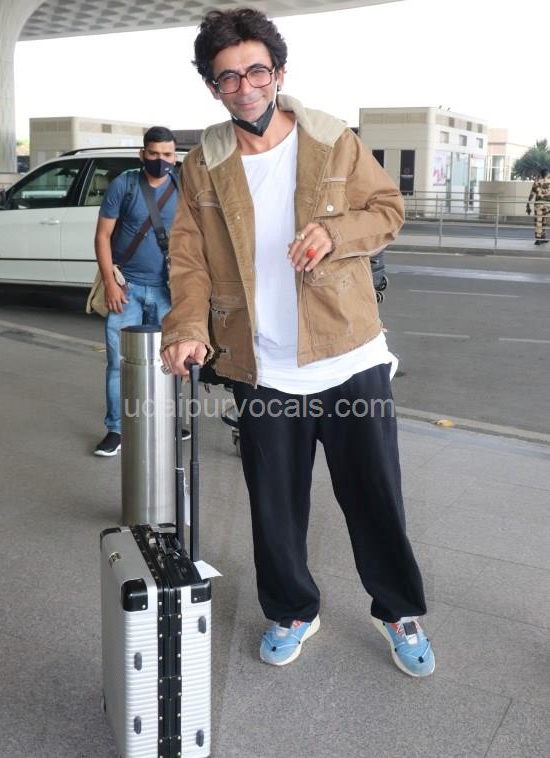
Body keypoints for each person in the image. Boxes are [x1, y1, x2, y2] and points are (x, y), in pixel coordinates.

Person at [160, 7, 435, 677]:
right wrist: (188, 328)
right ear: (212, 88)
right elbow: (188, 260)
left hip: (349, 354)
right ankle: (292, 610)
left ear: (279, 73)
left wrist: (335, 234)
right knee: (275, 507)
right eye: (228, 77)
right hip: (265, 366)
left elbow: (387, 210)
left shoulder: (331, 139)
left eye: (256, 71)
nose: (245, 87)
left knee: (375, 496)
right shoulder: (203, 165)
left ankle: (398, 610)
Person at [94, 126, 183, 457]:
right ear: (142, 154)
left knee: (171, 361)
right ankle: (116, 429)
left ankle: (169, 421)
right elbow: (103, 236)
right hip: (126, 288)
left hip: (167, 290)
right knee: (119, 363)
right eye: (154, 154)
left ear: (175, 156)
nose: (161, 160)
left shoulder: (182, 187)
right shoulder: (125, 185)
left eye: (167, 154)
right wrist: (110, 282)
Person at [526, 168, 550, 245]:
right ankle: (542, 237)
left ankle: (538, 239)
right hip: (548, 205)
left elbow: (532, 194)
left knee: (538, 221)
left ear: (541, 174)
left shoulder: (537, 182)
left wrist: (528, 204)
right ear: (548, 174)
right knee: (544, 221)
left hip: (539, 205)